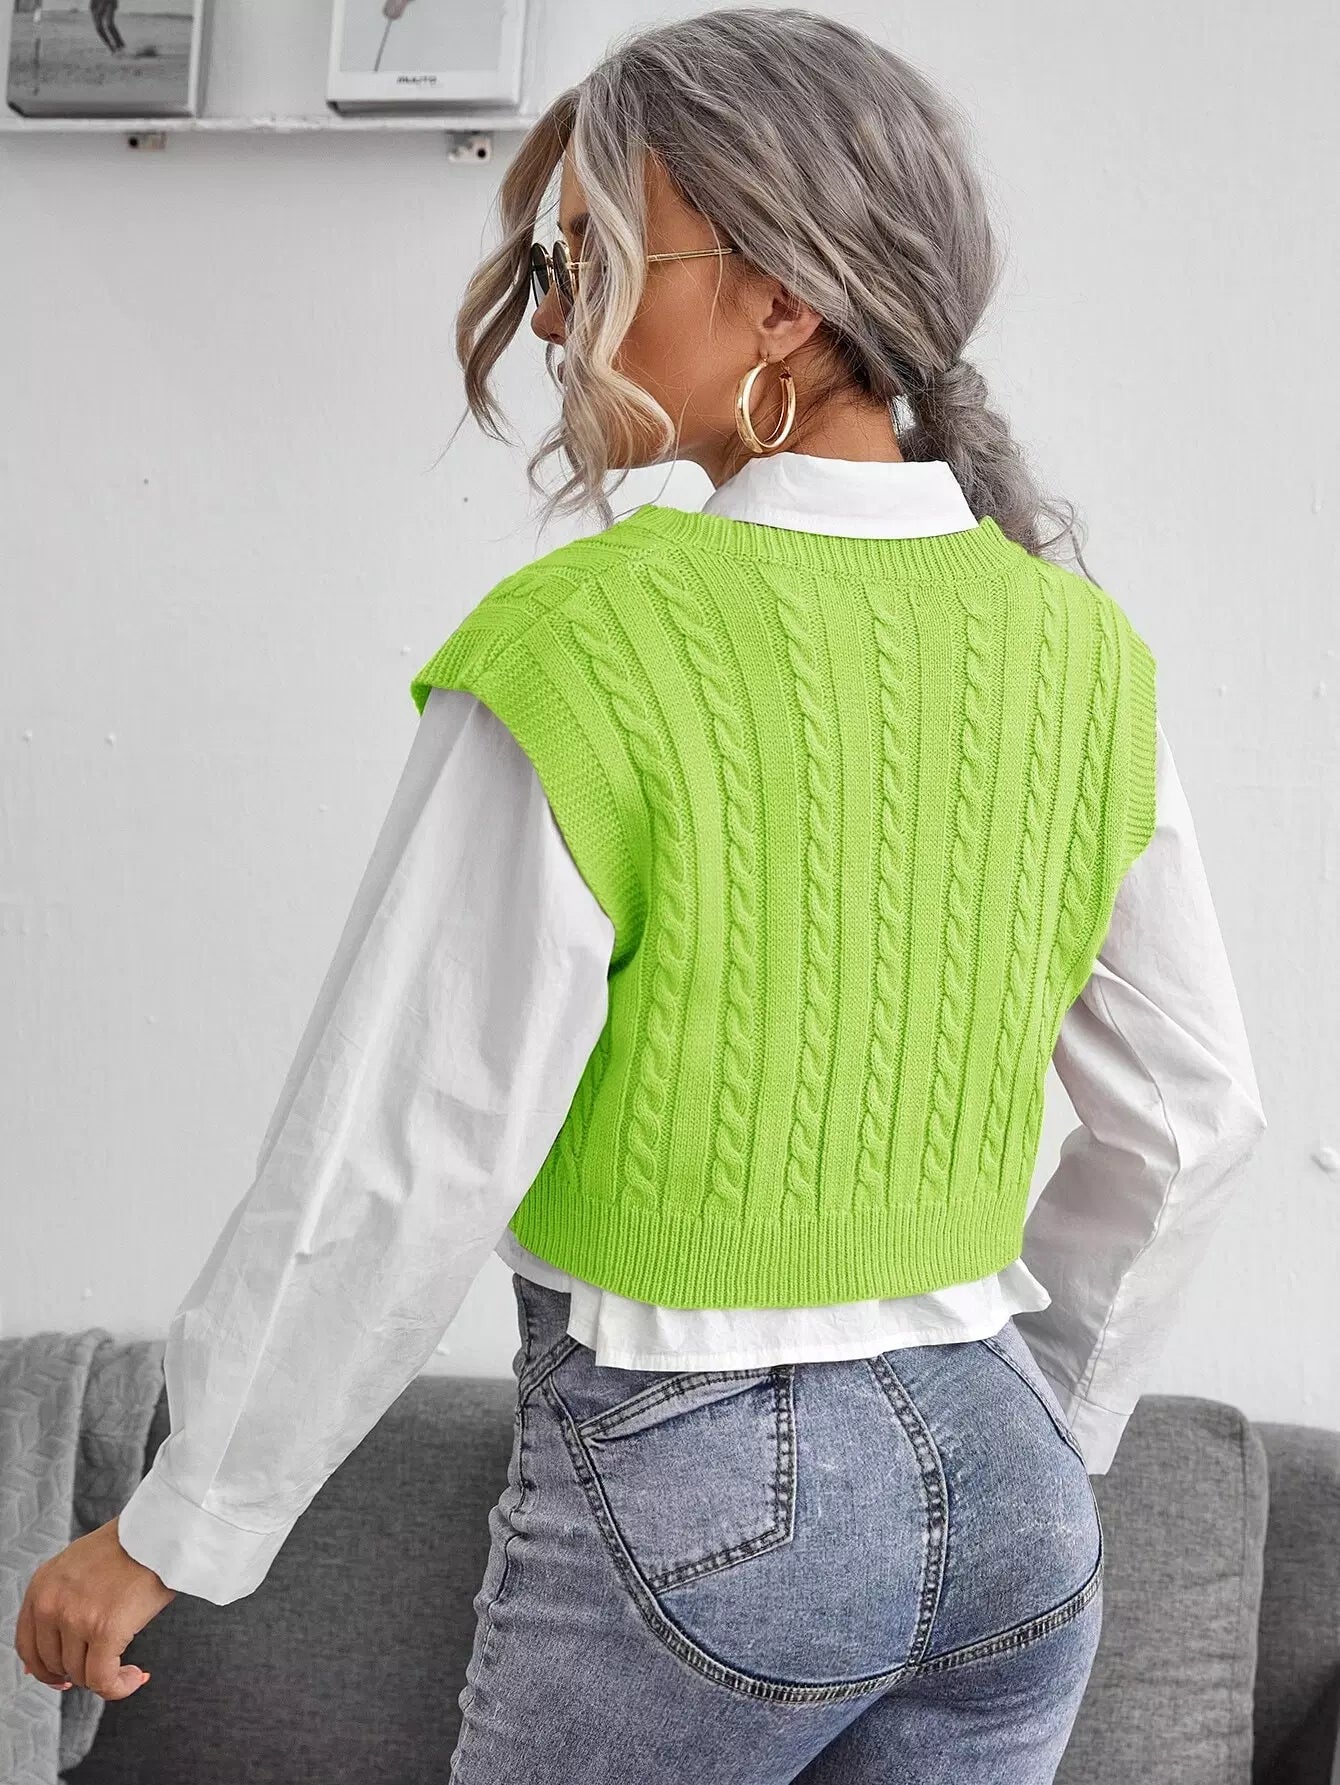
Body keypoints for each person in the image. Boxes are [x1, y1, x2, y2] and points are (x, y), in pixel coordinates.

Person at [14, 8, 1266, 1780]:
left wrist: (174, 1524)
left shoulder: (589, 642)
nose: (550, 316)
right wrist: (1040, 1406)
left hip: (709, 1497)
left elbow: (410, 1143)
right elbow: (1197, 1113)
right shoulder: (1080, 645)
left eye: (593, 257)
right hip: (1015, 1502)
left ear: (782, 301)